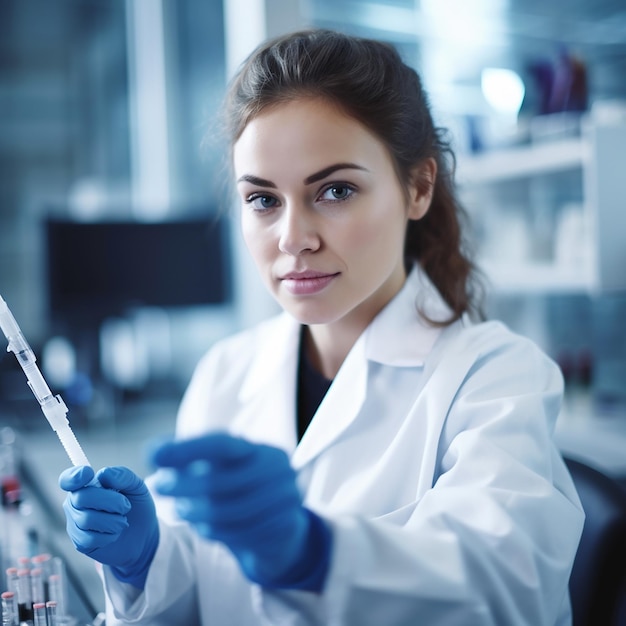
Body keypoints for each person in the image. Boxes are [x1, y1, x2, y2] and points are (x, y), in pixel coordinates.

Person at [59, 29, 584, 625]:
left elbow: (505, 587)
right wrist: (146, 564)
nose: (292, 238)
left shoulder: (495, 378)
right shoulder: (227, 373)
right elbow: (203, 595)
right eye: (262, 200)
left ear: (418, 187)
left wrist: (313, 555)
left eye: (335, 190)